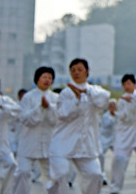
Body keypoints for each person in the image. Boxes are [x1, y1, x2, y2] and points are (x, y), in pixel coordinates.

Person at [47, 58, 110, 194]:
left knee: (95, 175)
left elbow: (104, 101)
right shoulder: (66, 93)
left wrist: (86, 92)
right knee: (60, 175)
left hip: (86, 145)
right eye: (73, 70)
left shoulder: (95, 91)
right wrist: (76, 99)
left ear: (87, 71)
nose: (76, 73)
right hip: (63, 143)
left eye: (80, 70)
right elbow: (63, 114)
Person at [12, 67, 59, 193]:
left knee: (54, 176)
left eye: (50, 78)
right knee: (23, 172)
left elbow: (57, 120)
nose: (47, 80)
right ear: (37, 79)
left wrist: (48, 107)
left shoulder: (55, 98)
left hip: (49, 144)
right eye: (44, 77)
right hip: (28, 143)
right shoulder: (28, 97)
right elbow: (25, 119)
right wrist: (40, 109)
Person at [110, 74, 136, 194]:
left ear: (134, 84)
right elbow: (124, 117)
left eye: (129, 83)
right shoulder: (121, 100)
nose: (127, 86)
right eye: (124, 84)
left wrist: (132, 98)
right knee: (119, 159)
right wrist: (114, 113)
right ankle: (115, 188)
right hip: (125, 135)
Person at [99, 99, 117, 186]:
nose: (112, 108)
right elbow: (108, 123)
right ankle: (102, 176)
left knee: (118, 157)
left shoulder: (118, 115)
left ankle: (115, 178)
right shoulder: (105, 116)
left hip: (114, 139)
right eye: (111, 106)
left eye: (114, 106)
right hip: (104, 139)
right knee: (101, 156)